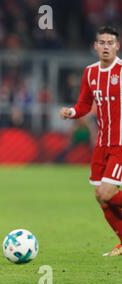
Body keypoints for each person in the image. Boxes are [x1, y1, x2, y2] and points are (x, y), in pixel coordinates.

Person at [60, 26, 122, 256]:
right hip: (102, 143)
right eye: (102, 42)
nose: (106, 46)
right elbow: (84, 104)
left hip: (120, 143)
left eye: (110, 42)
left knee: (107, 192)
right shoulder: (90, 72)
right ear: (95, 46)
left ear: (117, 45)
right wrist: (71, 112)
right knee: (100, 196)